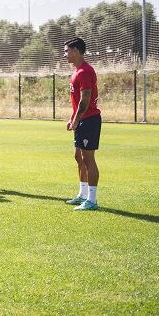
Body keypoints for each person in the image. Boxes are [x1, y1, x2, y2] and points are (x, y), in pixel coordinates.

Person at [64, 37, 102, 211]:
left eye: (67, 51)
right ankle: (82, 194)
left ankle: (92, 200)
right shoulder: (76, 71)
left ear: (76, 51)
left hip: (89, 120)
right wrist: (73, 119)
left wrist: (77, 119)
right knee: (78, 157)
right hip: (81, 120)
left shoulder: (85, 71)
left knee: (88, 159)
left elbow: (85, 99)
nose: (65, 55)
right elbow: (77, 101)